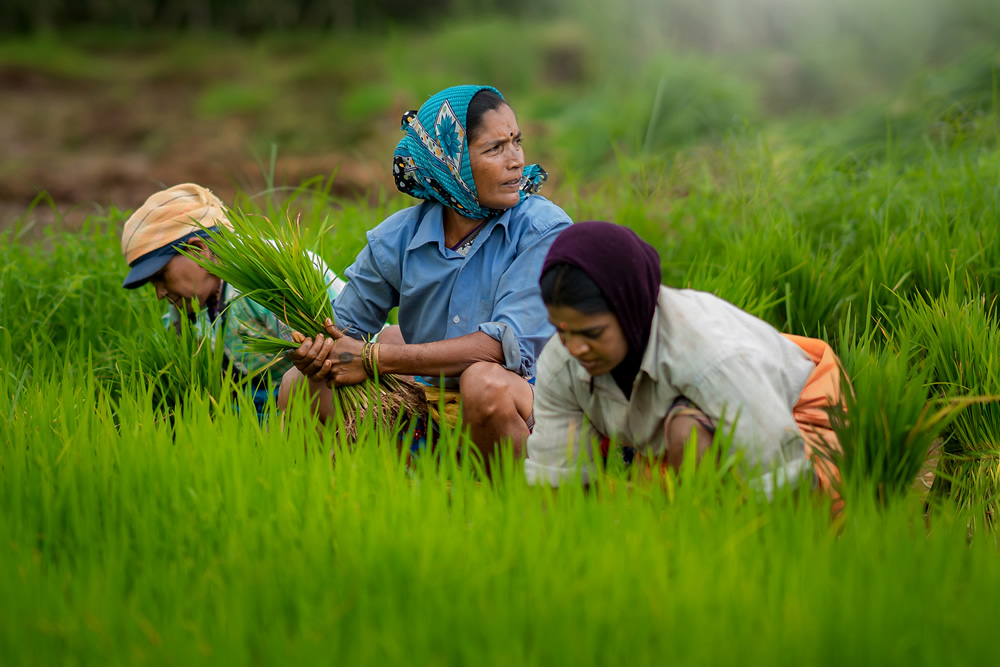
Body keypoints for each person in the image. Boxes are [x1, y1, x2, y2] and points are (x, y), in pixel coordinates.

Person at [280, 85, 573, 467]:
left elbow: (499, 350)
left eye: (516, 141)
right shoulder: (398, 238)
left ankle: (527, 503)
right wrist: (318, 355)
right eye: (495, 148)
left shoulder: (541, 229)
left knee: (481, 384)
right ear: (452, 164)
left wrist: (373, 359)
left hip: (526, 401)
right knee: (298, 385)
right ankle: (330, 503)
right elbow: (344, 332)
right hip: (428, 398)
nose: (516, 159)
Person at [524, 221, 845, 506]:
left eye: (593, 332)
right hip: (675, 451)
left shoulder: (712, 355)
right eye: (563, 331)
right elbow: (557, 481)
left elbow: (782, 480)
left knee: (687, 432)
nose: (576, 348)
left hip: (795, 422)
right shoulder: (560, 359)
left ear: (629, 310)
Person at [121, 182, 344, 414]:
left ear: (199, 251)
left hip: (328, 395)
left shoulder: (268, 279)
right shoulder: (188, 307)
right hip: (262, 404)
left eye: (161, 277)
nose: (160, 293)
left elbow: (336, 359)